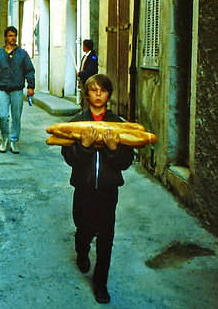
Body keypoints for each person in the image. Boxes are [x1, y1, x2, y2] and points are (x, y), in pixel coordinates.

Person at [61, 74, 133, 304]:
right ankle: (82, 252)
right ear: (87, 93)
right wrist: (84, 147)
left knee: (106, 235)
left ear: (109, 95)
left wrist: (113, 148)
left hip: (108, 189)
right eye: (93, 90)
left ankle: (100, 283)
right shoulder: (76, 122)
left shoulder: (119, 125)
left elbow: (125, 162)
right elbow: (69, 158)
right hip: (84, 187)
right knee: (83, 228)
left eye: (103, 90)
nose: (98, 94)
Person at [0, 26, 35, 154]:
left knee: (16, 116)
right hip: (2, 88)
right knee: (2, 115)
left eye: (14, 35)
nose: (12, 38)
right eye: (10, 35)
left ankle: (13, 140)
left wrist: (31, 86)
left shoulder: (22, 54)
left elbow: (29, 70)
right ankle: (5, 138)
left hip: (17, 89)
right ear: (5, 37)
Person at [77, 39, 98, 109]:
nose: (82, 47)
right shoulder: (85, 56)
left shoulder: (93, 57)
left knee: (87, 98)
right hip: (83, 80)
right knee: (83, 97)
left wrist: (80, 73)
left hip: (89, 81)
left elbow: (90, 70)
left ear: (86, 47)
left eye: (83, 46)